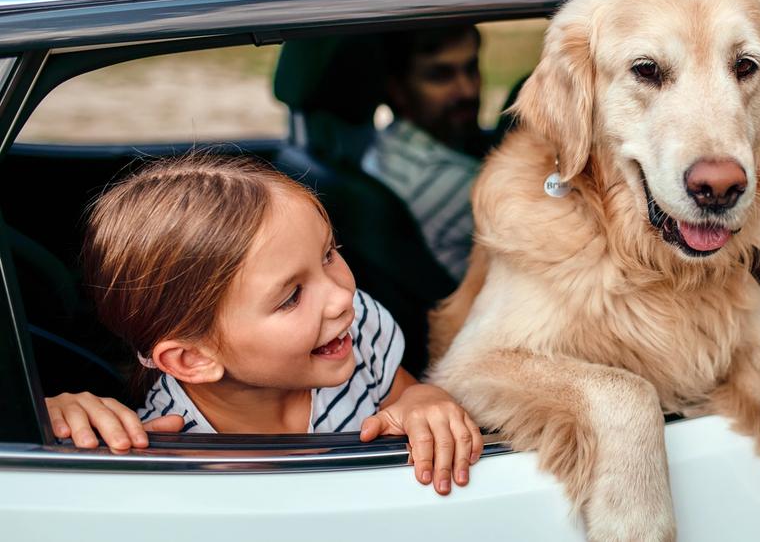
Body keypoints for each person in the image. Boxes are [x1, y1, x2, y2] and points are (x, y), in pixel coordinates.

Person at [44, 153, 482, 495]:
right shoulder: (168, 441)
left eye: (329, 254)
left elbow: (405, 396)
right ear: (193, 358)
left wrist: (427, 401)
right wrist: (53, 425)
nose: (341, 296)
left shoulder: (358, 329)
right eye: (291, 296)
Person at [362, 25, 485, 281]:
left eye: (471, 68)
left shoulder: (386, 143)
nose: (468, 90)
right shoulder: (458, 183)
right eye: (441, 75)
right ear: (397, 89)